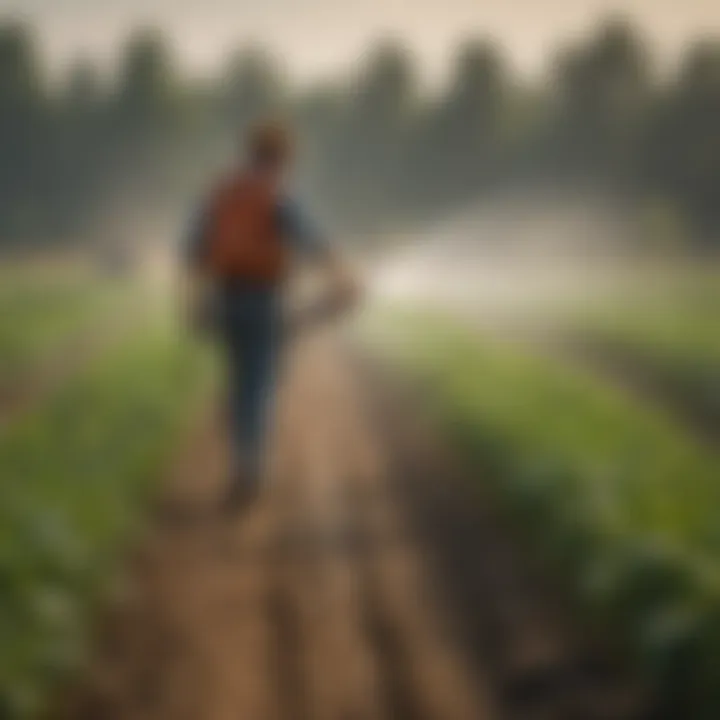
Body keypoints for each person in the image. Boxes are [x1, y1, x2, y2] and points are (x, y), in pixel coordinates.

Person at [183, 121, 359, 512]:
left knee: (240, 376)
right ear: (282, 157)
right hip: (265, 300)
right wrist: (343, 278)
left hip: (227, 298)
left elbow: (194, 248)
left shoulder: (223, 192)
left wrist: (192, 301)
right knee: (261, 383)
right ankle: (250, 466)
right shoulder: (277, 194)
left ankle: (240, 439)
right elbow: (313, 240)